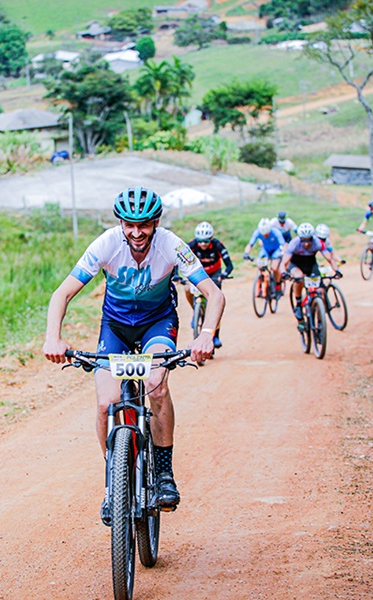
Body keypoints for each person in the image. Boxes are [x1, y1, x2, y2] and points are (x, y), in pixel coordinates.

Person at [42, 187, 224, 522]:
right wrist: (53, 337)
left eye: (144, 225)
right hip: (116, 327)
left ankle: (164, 473)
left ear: (156, 223)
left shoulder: (171, 245)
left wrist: (206, 334)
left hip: (157, 323)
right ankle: (114, 485)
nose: (136, 233)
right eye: (130, 225)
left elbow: (213, 294)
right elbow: (62, 293)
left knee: (157, 385)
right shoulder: (106, 244)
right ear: (121, 224)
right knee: (105, 404)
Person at [186, 221, 233, 348]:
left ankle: (216, 335)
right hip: (198, 274)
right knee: (186, 288)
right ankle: (195, 311)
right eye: (200, 241)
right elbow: (177, 261)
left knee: (215, 303)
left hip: (214, 274)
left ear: (211, 239)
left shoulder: (218, 245)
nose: (203, 244)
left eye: (206, 241)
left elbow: (229, 265)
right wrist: (176, 275)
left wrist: (224, 274)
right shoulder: (191, 245)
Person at [280, 223, 341, 322]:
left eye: (309, 240)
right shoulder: (294, 243)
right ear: (300, 238)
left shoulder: (318, 243)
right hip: (296, 264)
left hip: (311, 264)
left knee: (321, 290)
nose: (306, 244)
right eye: (304, 240)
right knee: (299, 277)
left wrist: (337, 271)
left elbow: (330, 259)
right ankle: (298, 304)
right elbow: (283, 263)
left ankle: (318, 313)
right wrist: (283, 273)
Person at [243, 218, 286, 298]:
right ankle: (259, 287)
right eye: (263, 234)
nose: (265, 236)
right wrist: (246, 253)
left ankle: (278, 286)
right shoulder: (257, 232)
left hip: (276, 250)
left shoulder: (276, 232)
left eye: (267, 234)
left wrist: (283, 253)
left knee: (274, 268)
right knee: (260, 267)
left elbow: (284, 245)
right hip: (265, 250)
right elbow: (250, 245)